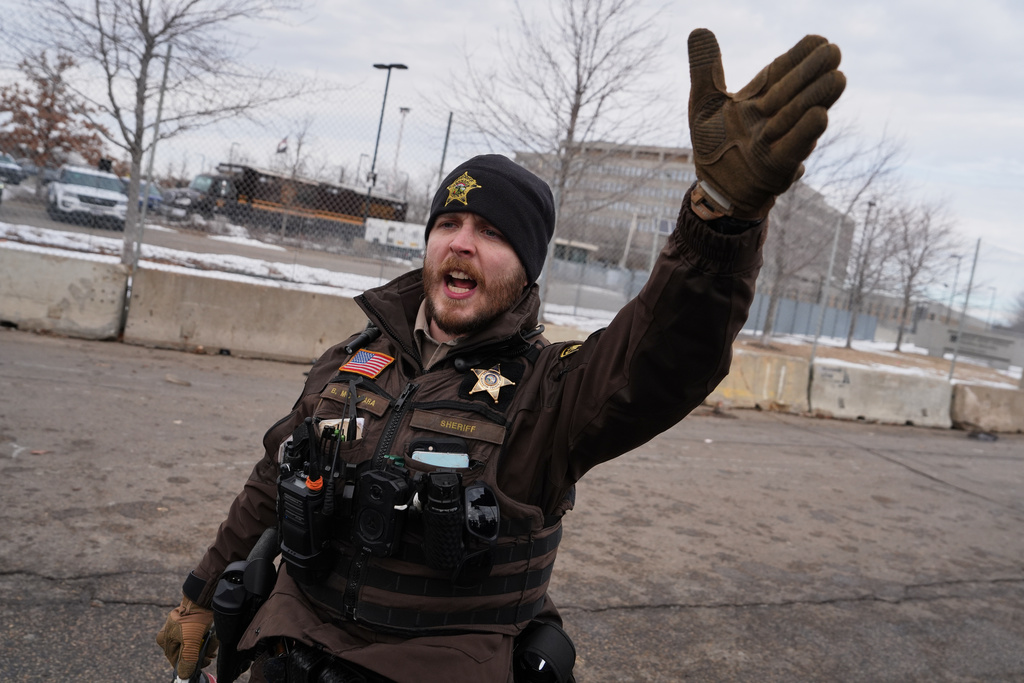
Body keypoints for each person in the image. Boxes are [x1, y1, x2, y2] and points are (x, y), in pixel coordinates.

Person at [158, 28, 845, 683]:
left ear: (526, 266)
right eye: (448, 223)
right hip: (292, 656)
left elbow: (668, 354)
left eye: (491, 232)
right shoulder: (351, 358)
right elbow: (269, 481)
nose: (461, 243)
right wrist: (199, 592)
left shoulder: (552, 393)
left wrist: (719, 218)